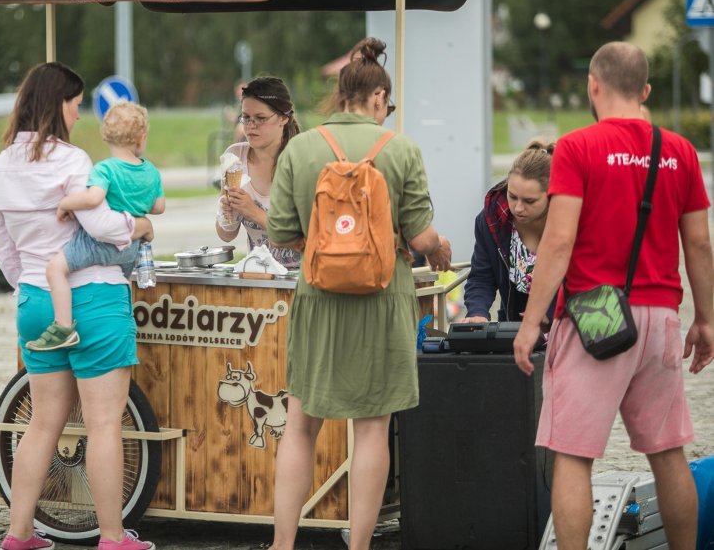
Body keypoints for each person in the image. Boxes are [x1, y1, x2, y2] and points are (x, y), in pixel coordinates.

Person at [513, 42, 714, 550]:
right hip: (662, 318)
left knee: (574, 455)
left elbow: (558, 243)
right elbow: (699, 244)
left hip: (594, 319)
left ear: (593, 85)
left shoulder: (578, 147)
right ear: (645, 91)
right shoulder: (680, 151)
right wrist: (707, 319)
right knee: (668, 452)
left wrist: (532, 321)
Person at [265, 37, 452, 550]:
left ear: (341, 95)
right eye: (386, 105)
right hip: (381, 301)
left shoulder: (300, 149)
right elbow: (420, 236)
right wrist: (436, 248)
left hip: (318, 301)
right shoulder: (401, 149)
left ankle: (283, 544)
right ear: (378, 97)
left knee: (301, 425)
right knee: (372, 427)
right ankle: (361, 544)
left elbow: (280, 232)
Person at [0, 62, 156, 550]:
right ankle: (111, 537)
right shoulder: (74, 162)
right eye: (76, 105)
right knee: (104, 424)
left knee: (42, 423)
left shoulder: (0, 167)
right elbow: (102, 227)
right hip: (94, 298)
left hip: (38, 301)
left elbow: (2, 244)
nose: (80, 115)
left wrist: (30, 285)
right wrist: (140, 227)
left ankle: (19, 534)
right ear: (57, 104)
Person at [26, 100, 165, 351]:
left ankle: (64, 326)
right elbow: (158, 207)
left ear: (106, 136)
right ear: (142, 138)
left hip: (98, 245)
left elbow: (93, 199)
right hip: (131, 248)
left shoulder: (105, 169)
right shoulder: (152, 173)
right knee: (120, 288)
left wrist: (66, 203)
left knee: (55, 269)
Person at [462, 139, 557, 323]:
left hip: (564, 330)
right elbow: (481, 277)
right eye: (512, 196)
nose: (518, 208)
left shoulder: (570, 222)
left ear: (551, 195)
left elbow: (585, 284)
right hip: (512, 329)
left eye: (530, 201)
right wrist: (477, 313)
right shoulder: (492, 219)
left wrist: (552, 315)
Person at [215, 76, 302, 269]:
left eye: (260, 118)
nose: (250, 125)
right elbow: (227, 235)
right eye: (246, 117)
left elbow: (305, 238)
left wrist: (253, 212)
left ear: (283, 117)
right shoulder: (234, 156)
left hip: (301, 277)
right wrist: (228, 213)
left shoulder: (301, 160)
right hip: (259, 273)